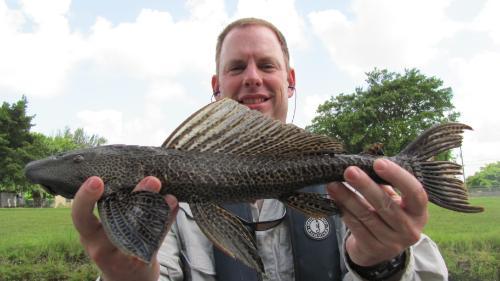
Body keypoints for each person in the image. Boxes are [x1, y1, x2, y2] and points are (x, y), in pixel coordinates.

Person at [71, 18, 448, 281]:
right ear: (217, 86)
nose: (252, 77)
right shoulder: (166, 204)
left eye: (266, 64)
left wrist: (384, 262)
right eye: (237, 68)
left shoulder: (359, 196)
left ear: (291, 80)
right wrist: (129, 279)